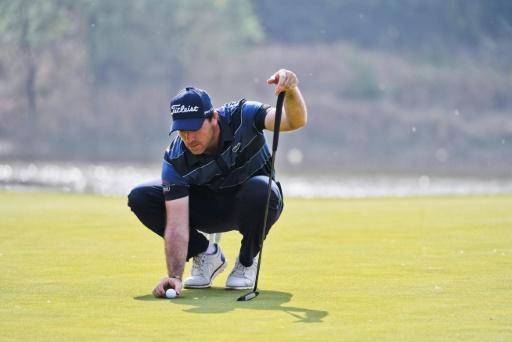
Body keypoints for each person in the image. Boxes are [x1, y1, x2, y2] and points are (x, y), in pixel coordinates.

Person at [127, 69, 307, 298]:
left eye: (193, 129)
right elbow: (176, 223)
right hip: (208, 210)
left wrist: (291, 91)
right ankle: (205, 254)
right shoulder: (175, 158)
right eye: (182, 131)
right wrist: (175, 275)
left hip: (253, 203)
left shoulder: (244, 115)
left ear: (213, 117)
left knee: (262, 190)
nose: (188, 138)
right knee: (140, 196)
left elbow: (294, 121)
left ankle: (246, 260)